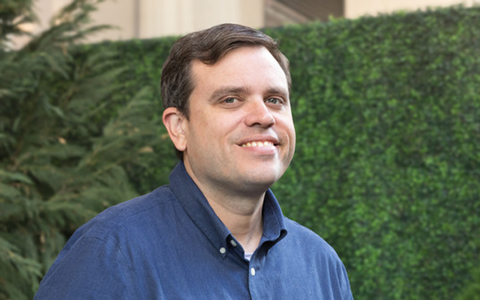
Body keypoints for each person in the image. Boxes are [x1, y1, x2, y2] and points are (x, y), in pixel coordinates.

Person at [34, 23, 353, 299]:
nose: (263, 116)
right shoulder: (111, 253)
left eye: (274, 99)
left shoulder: (320, 263)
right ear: (179, 128)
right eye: (231, 99)